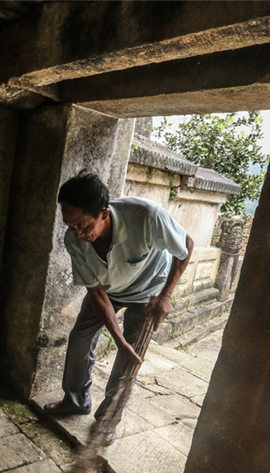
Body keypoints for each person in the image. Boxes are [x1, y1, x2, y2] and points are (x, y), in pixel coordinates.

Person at [44, 170, 194, 442]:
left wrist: (166, 296)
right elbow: (96, 293)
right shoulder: (74, 241)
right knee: (80, 338)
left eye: (82, 225)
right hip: (107, 289)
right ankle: (76, 400)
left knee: (130, 357)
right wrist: (117, 340)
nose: (76, 232)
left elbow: (185, 246)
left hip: (148, 290)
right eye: (69, 225)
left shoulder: (147, 216)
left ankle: (108, 419)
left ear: (103, 213)